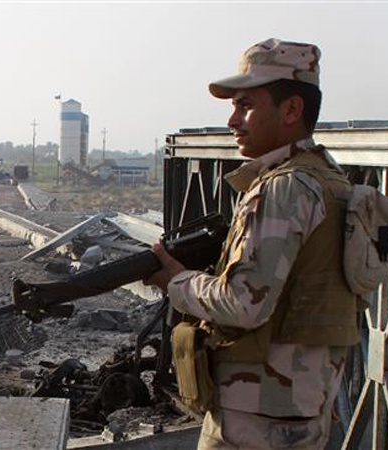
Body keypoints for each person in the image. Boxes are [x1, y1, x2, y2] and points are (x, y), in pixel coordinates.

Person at [146, 38, 357, 449]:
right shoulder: (329, 179)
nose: (232, 120)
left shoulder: (282, 189)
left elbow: (244, 302)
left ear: (292, 109)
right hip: (300, 406)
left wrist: (176, 281)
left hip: (255, 419)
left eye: (246, 105)